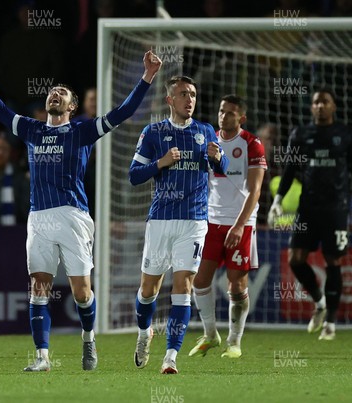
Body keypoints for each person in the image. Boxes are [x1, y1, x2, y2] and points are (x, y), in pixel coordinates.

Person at [0, 50, 162, 372]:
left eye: (62, 94)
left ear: (71, 107)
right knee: (38, 287)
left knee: (82, 293)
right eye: (52, 92)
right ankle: (42, 358)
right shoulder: (31, 129)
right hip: (39, 216)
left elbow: (123, 112)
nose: (55, 94)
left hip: (73, 216)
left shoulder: (82, 132)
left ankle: (88, 338)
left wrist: (147, 77)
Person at [129, 75, 229, 374]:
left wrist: (219, 158)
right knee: (148, 290)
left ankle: (170, 356)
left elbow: (219, 169)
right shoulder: (154, 132)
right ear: (170, 100)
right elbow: (134, 175)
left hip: (194, 220)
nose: (190, 100)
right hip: (161, 220)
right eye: (184, 94)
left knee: (183, 286)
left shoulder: (205, 130)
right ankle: (144, 332)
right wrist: (160, 163)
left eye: (194, 94)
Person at [268, 89, 352, 341]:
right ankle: (320, 301)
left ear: (334, 106)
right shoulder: (301, 134)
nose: (320, 106)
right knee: (295, 259)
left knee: (333, 261)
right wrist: (278, 200)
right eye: (316, 102)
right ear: (311, 107)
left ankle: (330, 323)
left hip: (336, 209)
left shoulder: (345, 134)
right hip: (308, 208)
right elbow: (291, 169)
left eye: (325, 102)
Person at [188, 95, 266, 359]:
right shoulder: (208, 140)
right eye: (222, 111)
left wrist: (239, 225)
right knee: (199, 280)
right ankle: (210, 334)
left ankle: (234, 341)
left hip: (240, 223)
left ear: (241, 118)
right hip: (210, 221)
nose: (224, 116)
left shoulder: (252, 144)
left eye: (231, 113)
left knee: (236, 284)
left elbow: (255, 191)